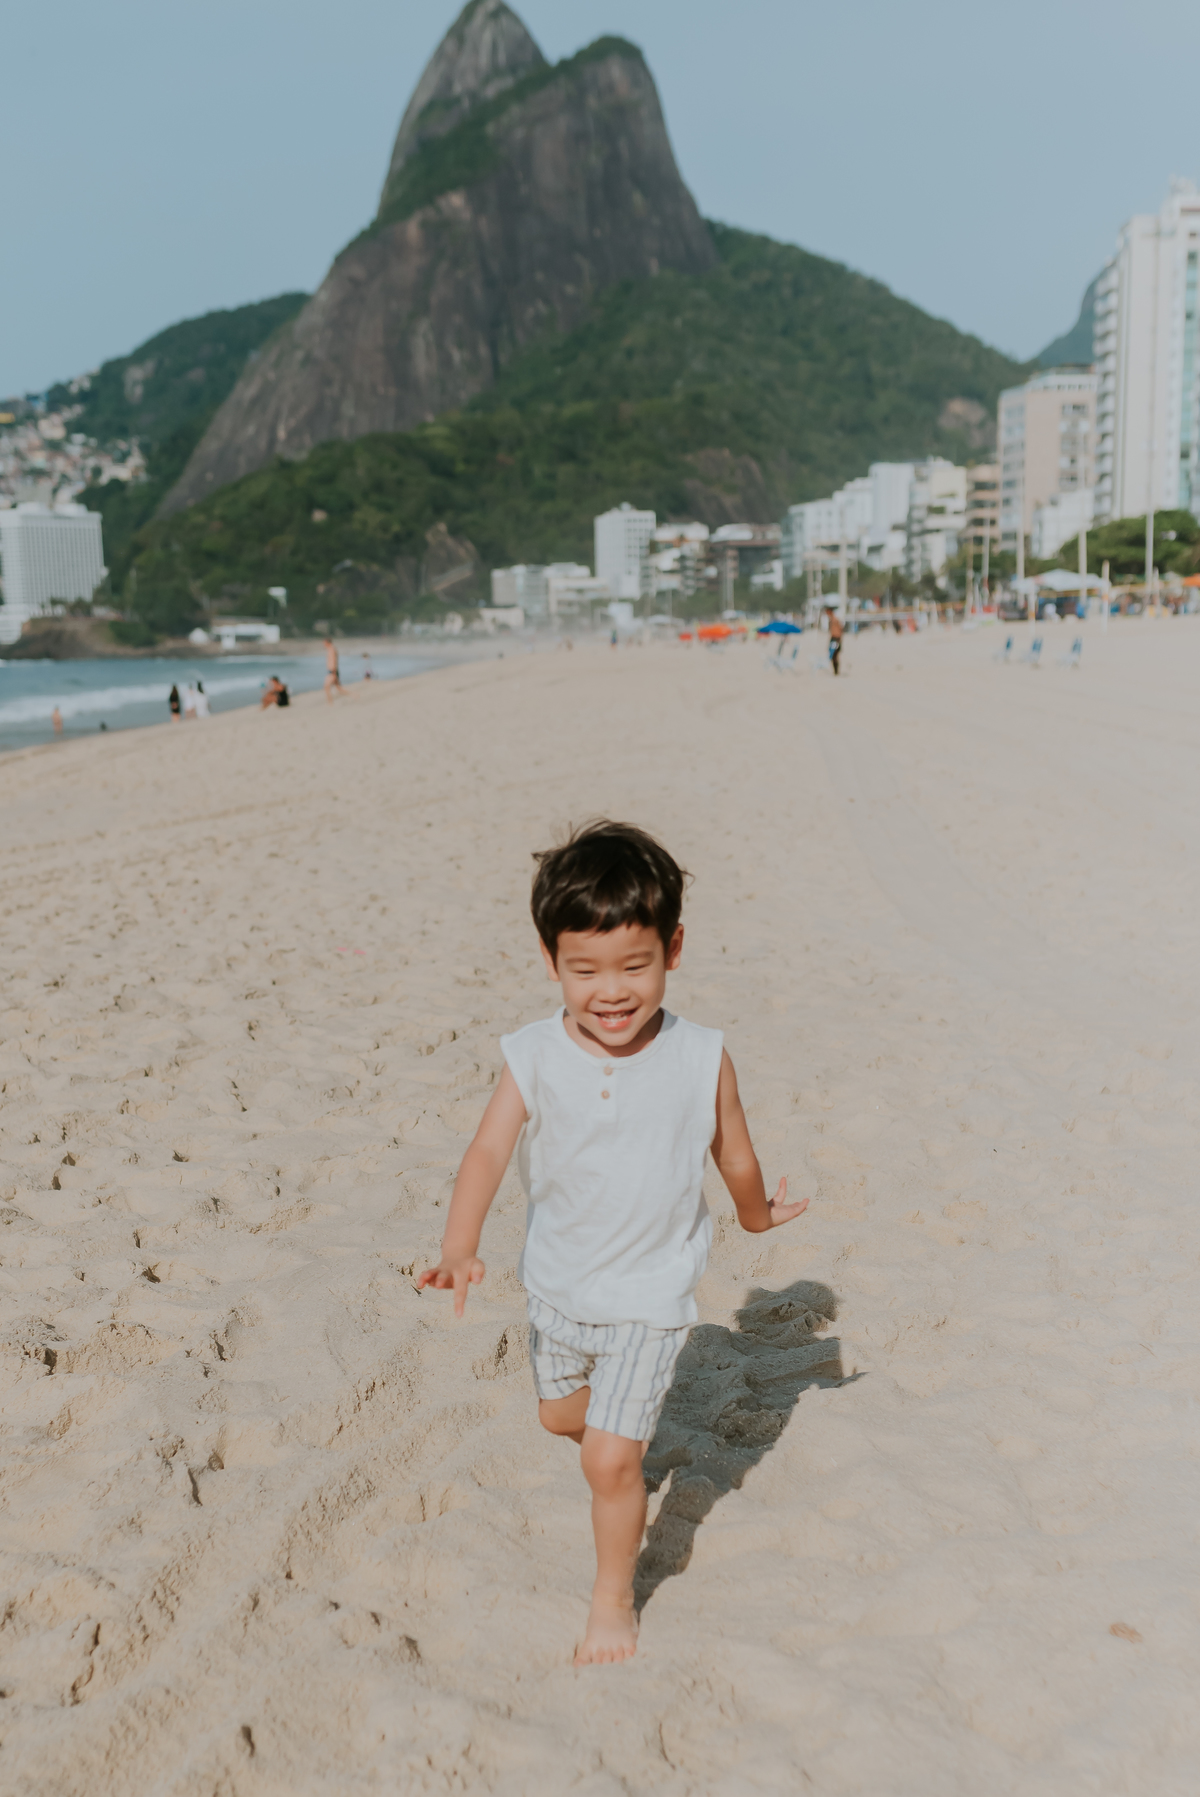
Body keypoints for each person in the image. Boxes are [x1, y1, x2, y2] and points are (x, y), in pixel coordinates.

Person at [417, 821, 808, 1666]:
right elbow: (486, 1150)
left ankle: (611, 1599)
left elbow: (732, 1150)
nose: (611, 991)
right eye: (584, 970)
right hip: (558, 1287)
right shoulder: (532, 1054)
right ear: (550, 961)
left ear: (673, 947)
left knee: (607, 1462)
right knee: (563, 1416)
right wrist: (459, 1242)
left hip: (650, 1297)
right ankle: (615, 1435)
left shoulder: (701, 1056)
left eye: (635, 966)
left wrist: (754, 1215)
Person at [825, 604, 844, 676]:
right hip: (834, 639)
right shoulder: (832, 619)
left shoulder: (835, 620)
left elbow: (840, 630)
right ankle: (835, 671)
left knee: (835, 655)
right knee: (833, 656)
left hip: (836, 639)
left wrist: (838, 640)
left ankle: (836, 671)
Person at [323, 636, 344, 701]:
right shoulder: (331, 649)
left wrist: (334, 673)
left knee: (327, 687)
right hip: (332, 671)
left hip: (332, 671)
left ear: (327, 642)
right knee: (338, 689)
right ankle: (354, 695)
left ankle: (330, 703)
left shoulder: (332, 649)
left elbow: (333, 661)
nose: (323, 644)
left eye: (324, 643)